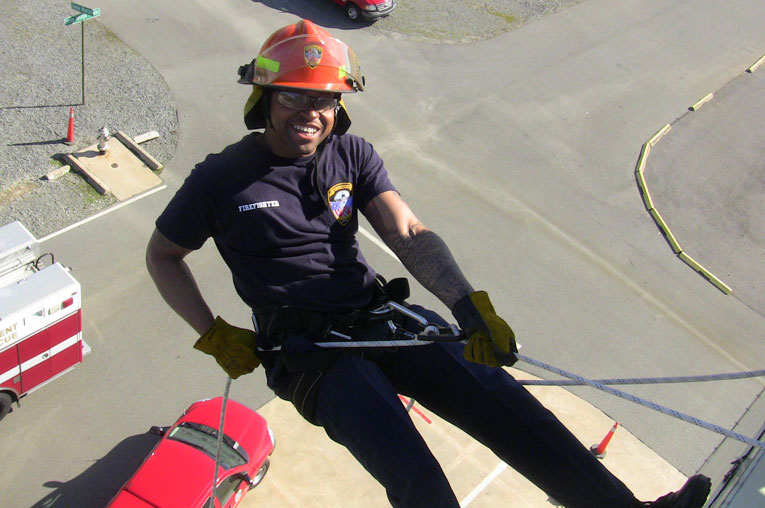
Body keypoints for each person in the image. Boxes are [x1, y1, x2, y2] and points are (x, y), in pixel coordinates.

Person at [146, 19, 711, 508]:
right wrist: (212, 332)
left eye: (325, 99)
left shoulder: (352, 154)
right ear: (265, 97)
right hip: (310, 354)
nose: (310, 113)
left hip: (379, 318)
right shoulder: (220, 180)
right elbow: (164, 256)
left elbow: (408, 231)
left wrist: (468, 306)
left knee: (512, 410)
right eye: (294, 96)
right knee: (419, 480)